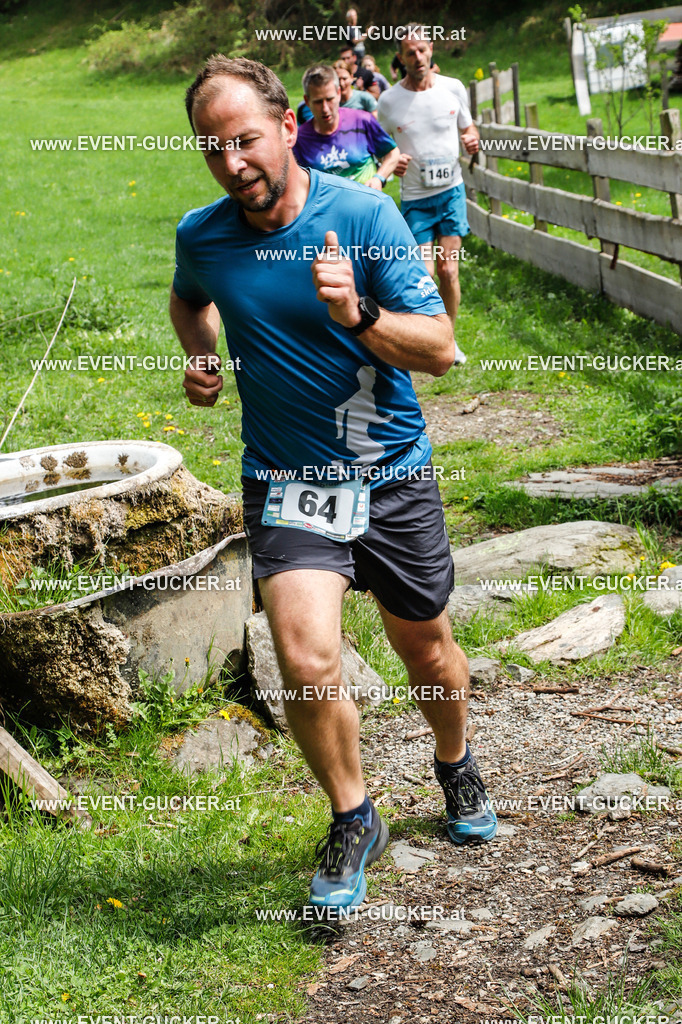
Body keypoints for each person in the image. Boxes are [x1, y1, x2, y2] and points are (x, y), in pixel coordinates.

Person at [170, 54, 497, 913]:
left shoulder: (362, 214)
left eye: (244, 139)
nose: (232, 161)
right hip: (287, 479)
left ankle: (455, 761)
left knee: (425, 649)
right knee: (306, 659)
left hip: (389, 475)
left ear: (288, 127)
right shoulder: (201, 233)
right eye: (212, 148)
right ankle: (354, 814)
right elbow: (189, 299)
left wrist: (355, 313)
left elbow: (441, 349)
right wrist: (203, 360)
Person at [378, 24, 477, 364]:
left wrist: (472, 140)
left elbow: (468, 127)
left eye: (421, 50)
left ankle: (449, 339)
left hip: (451, 192)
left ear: (431, 48)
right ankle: (425, 339)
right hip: (416, 198)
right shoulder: (389, 101)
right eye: (410, 52)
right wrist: (394, 163)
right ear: (401, 57)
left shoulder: (453, 88)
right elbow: (383, 147)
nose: (417, 57)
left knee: (449, 270)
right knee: (425, 273)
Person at [294, 64, 397, 188]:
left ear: (338, 93)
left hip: (367, 205)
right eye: (318, 102)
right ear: (307, 101)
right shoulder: (300, 139)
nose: (325, 109)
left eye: (329, 99)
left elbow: (392, 153)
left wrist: (379, 178)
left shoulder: (362, 120)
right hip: (329, 207)